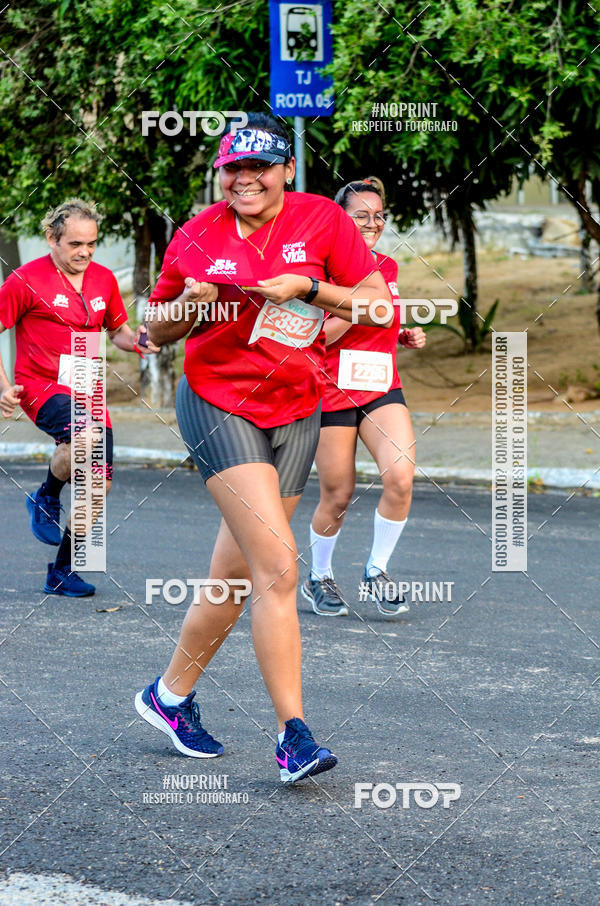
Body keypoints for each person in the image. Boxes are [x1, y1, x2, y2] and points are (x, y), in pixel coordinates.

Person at [134, 113, 391, 783]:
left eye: (260, 167)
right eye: (234, 169)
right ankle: (293, 737)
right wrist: (189, 306)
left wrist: (308, 288)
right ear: (221, 173)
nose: (245, 179)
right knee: (278, 567)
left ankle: (168, 696)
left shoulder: (322, 220)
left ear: (287, 170)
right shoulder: (197, 233)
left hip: (298, 407)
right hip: (220, 402)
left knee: (237, 576)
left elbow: (378, 307)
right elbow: (154, 329)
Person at [0, 199, 157, 597]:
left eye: (91, 244)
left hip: (88, 387)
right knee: (85, 436)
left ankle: (62, 570)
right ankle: (48, 495)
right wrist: (3, 387)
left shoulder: (103, 279)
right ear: (51, 238)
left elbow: (117, 331)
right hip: (41, 386)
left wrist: (139, 341)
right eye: (74, 244)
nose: (85, 252)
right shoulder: (24, 280)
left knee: (98, 486)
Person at [302, 178, 426, 618]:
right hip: (331, 391)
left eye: (379, 215)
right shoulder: (319, 271)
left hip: (380, 387)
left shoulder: (386, 266)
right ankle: (319, 576)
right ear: (341, 220)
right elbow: (317, 335)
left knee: (401, 477)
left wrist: (401, 332)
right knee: (338, 494)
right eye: (361, 215)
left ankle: (376, 570)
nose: (372, 223)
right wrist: (361, 307)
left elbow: (383, 319)